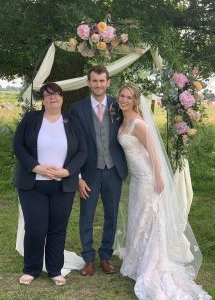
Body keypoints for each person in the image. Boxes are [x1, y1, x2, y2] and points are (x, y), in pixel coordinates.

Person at [115, 84, 212, 299]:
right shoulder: (123, 120)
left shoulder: (139, 124)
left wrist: (159, 177)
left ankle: (150, 263)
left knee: (149, 219)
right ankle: (137, 259)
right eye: (121, 95)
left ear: (135, 101)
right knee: (138, 218)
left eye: (128, 97)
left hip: (148, 179)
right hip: (137, 179)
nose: (123, 100)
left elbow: (155, 153)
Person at [13, 82, 87, 286]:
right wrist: (36, 167)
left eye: (56, 94)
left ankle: (55, 270)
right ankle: (31, 269)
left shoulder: (72, 121)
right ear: (43, 100)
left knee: (57, 229)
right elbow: (18, 145)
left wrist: (67, 171)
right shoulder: (31, 119)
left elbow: (82, 151)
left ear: (62, 98)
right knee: (36, 227)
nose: (52, 98)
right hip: (33, 184)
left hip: (63, 186)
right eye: (47, 95)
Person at [70, 65, 128, 276]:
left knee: (111, 215)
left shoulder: (118, 104)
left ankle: (105, 256)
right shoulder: (77, 109)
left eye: (102, 80)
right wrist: (77, 176)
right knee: (87, 215)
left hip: (114, 170)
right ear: (88, 83)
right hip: (88, 173)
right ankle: (88, 258)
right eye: (94, 81)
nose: (98, 84)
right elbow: (73, 144)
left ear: (108, 82)